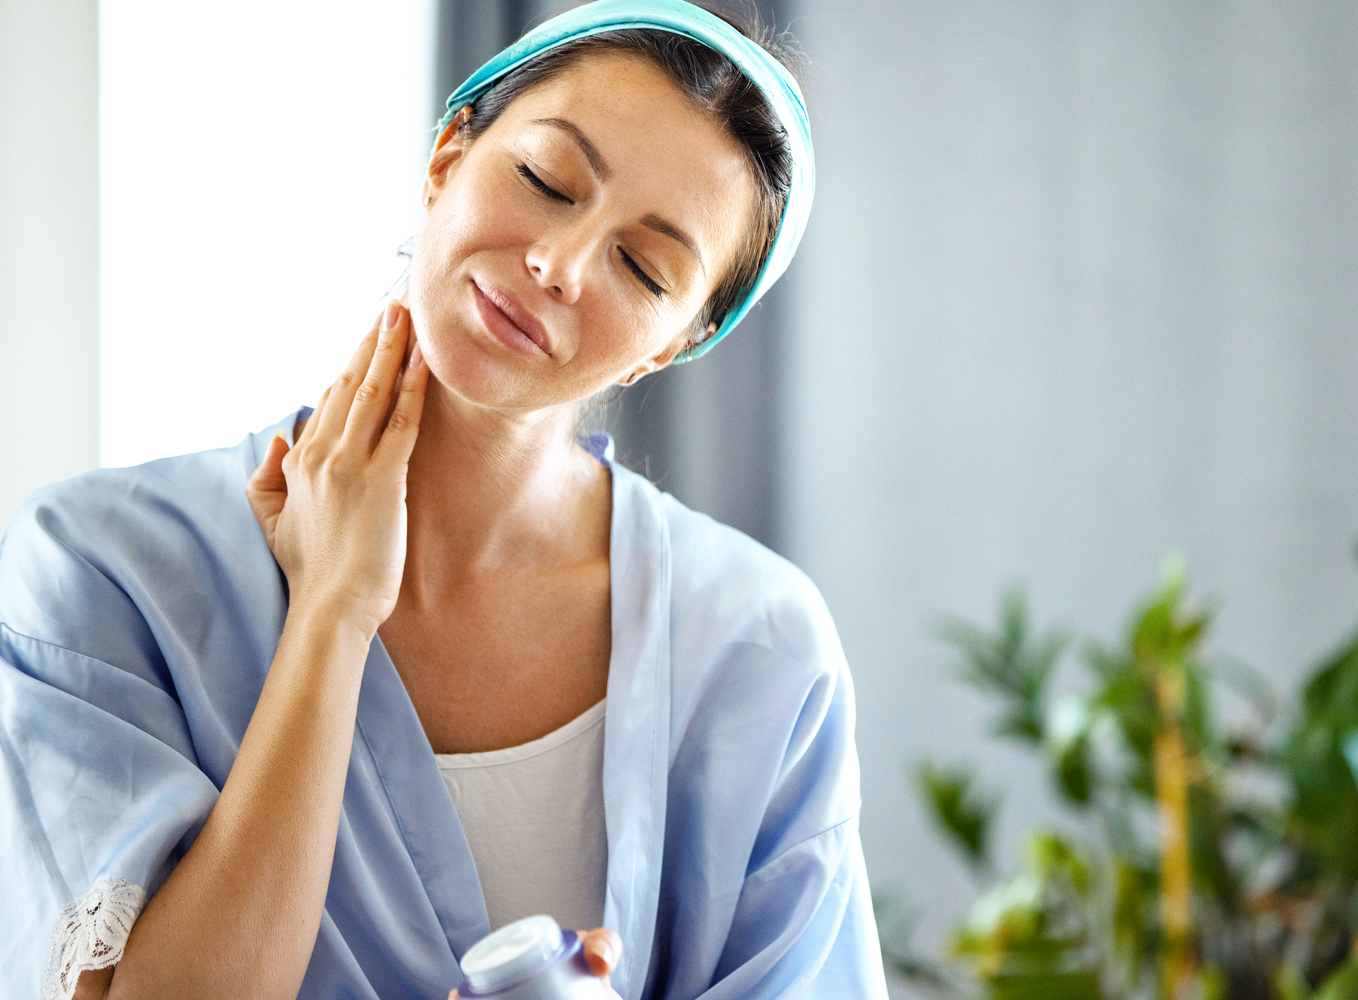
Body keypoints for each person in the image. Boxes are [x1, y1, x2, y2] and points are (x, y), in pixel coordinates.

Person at [0, 2, 886, 998]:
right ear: (448, 154)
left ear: (671, 345)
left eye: (643, 268)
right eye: (548, 180)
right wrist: (331, 614)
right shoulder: (100, 568)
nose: (559, 265)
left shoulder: (759, 649)